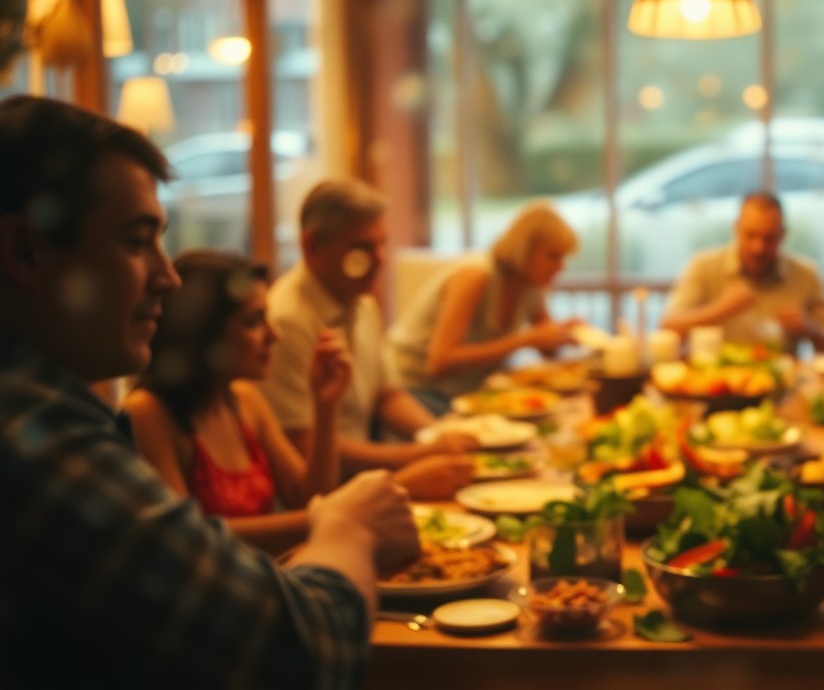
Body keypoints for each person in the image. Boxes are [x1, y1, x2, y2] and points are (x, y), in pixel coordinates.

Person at [0, 95, 419, 687]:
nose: (165, 276)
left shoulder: (69, 412)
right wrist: (348, 526)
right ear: (24, 250)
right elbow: (306, 651)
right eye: (135, 240)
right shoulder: (35, 435)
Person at [258, 179, 475, 484]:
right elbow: (302, 444)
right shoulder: (286, 321)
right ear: (312, 247)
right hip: (327, 497)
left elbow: (387, 396)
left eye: (382, 243)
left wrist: (439, 436)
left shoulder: (361, 301)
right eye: (363, 248)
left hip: (363, 481)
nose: (380, 260)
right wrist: (418, 455)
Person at [388, 201, 580, 416]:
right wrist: (525, 340)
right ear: (525, 249)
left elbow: (547, 349)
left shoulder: (529, 283)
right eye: (553, 256)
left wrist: (563, 333)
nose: (560, 267)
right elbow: (439, 362)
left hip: (463, 392)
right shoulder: (476, 276)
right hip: (415, 390)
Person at [661, 192, 824, 355]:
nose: (759, 248)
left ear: (783, 235)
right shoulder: (703, 265)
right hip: (715, 383)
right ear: (736, 229)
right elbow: (668, 327)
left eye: (769, 238)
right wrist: (719, 310)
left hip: (783, 384)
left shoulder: (806, 274)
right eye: (751, 235)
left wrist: (811, 329)